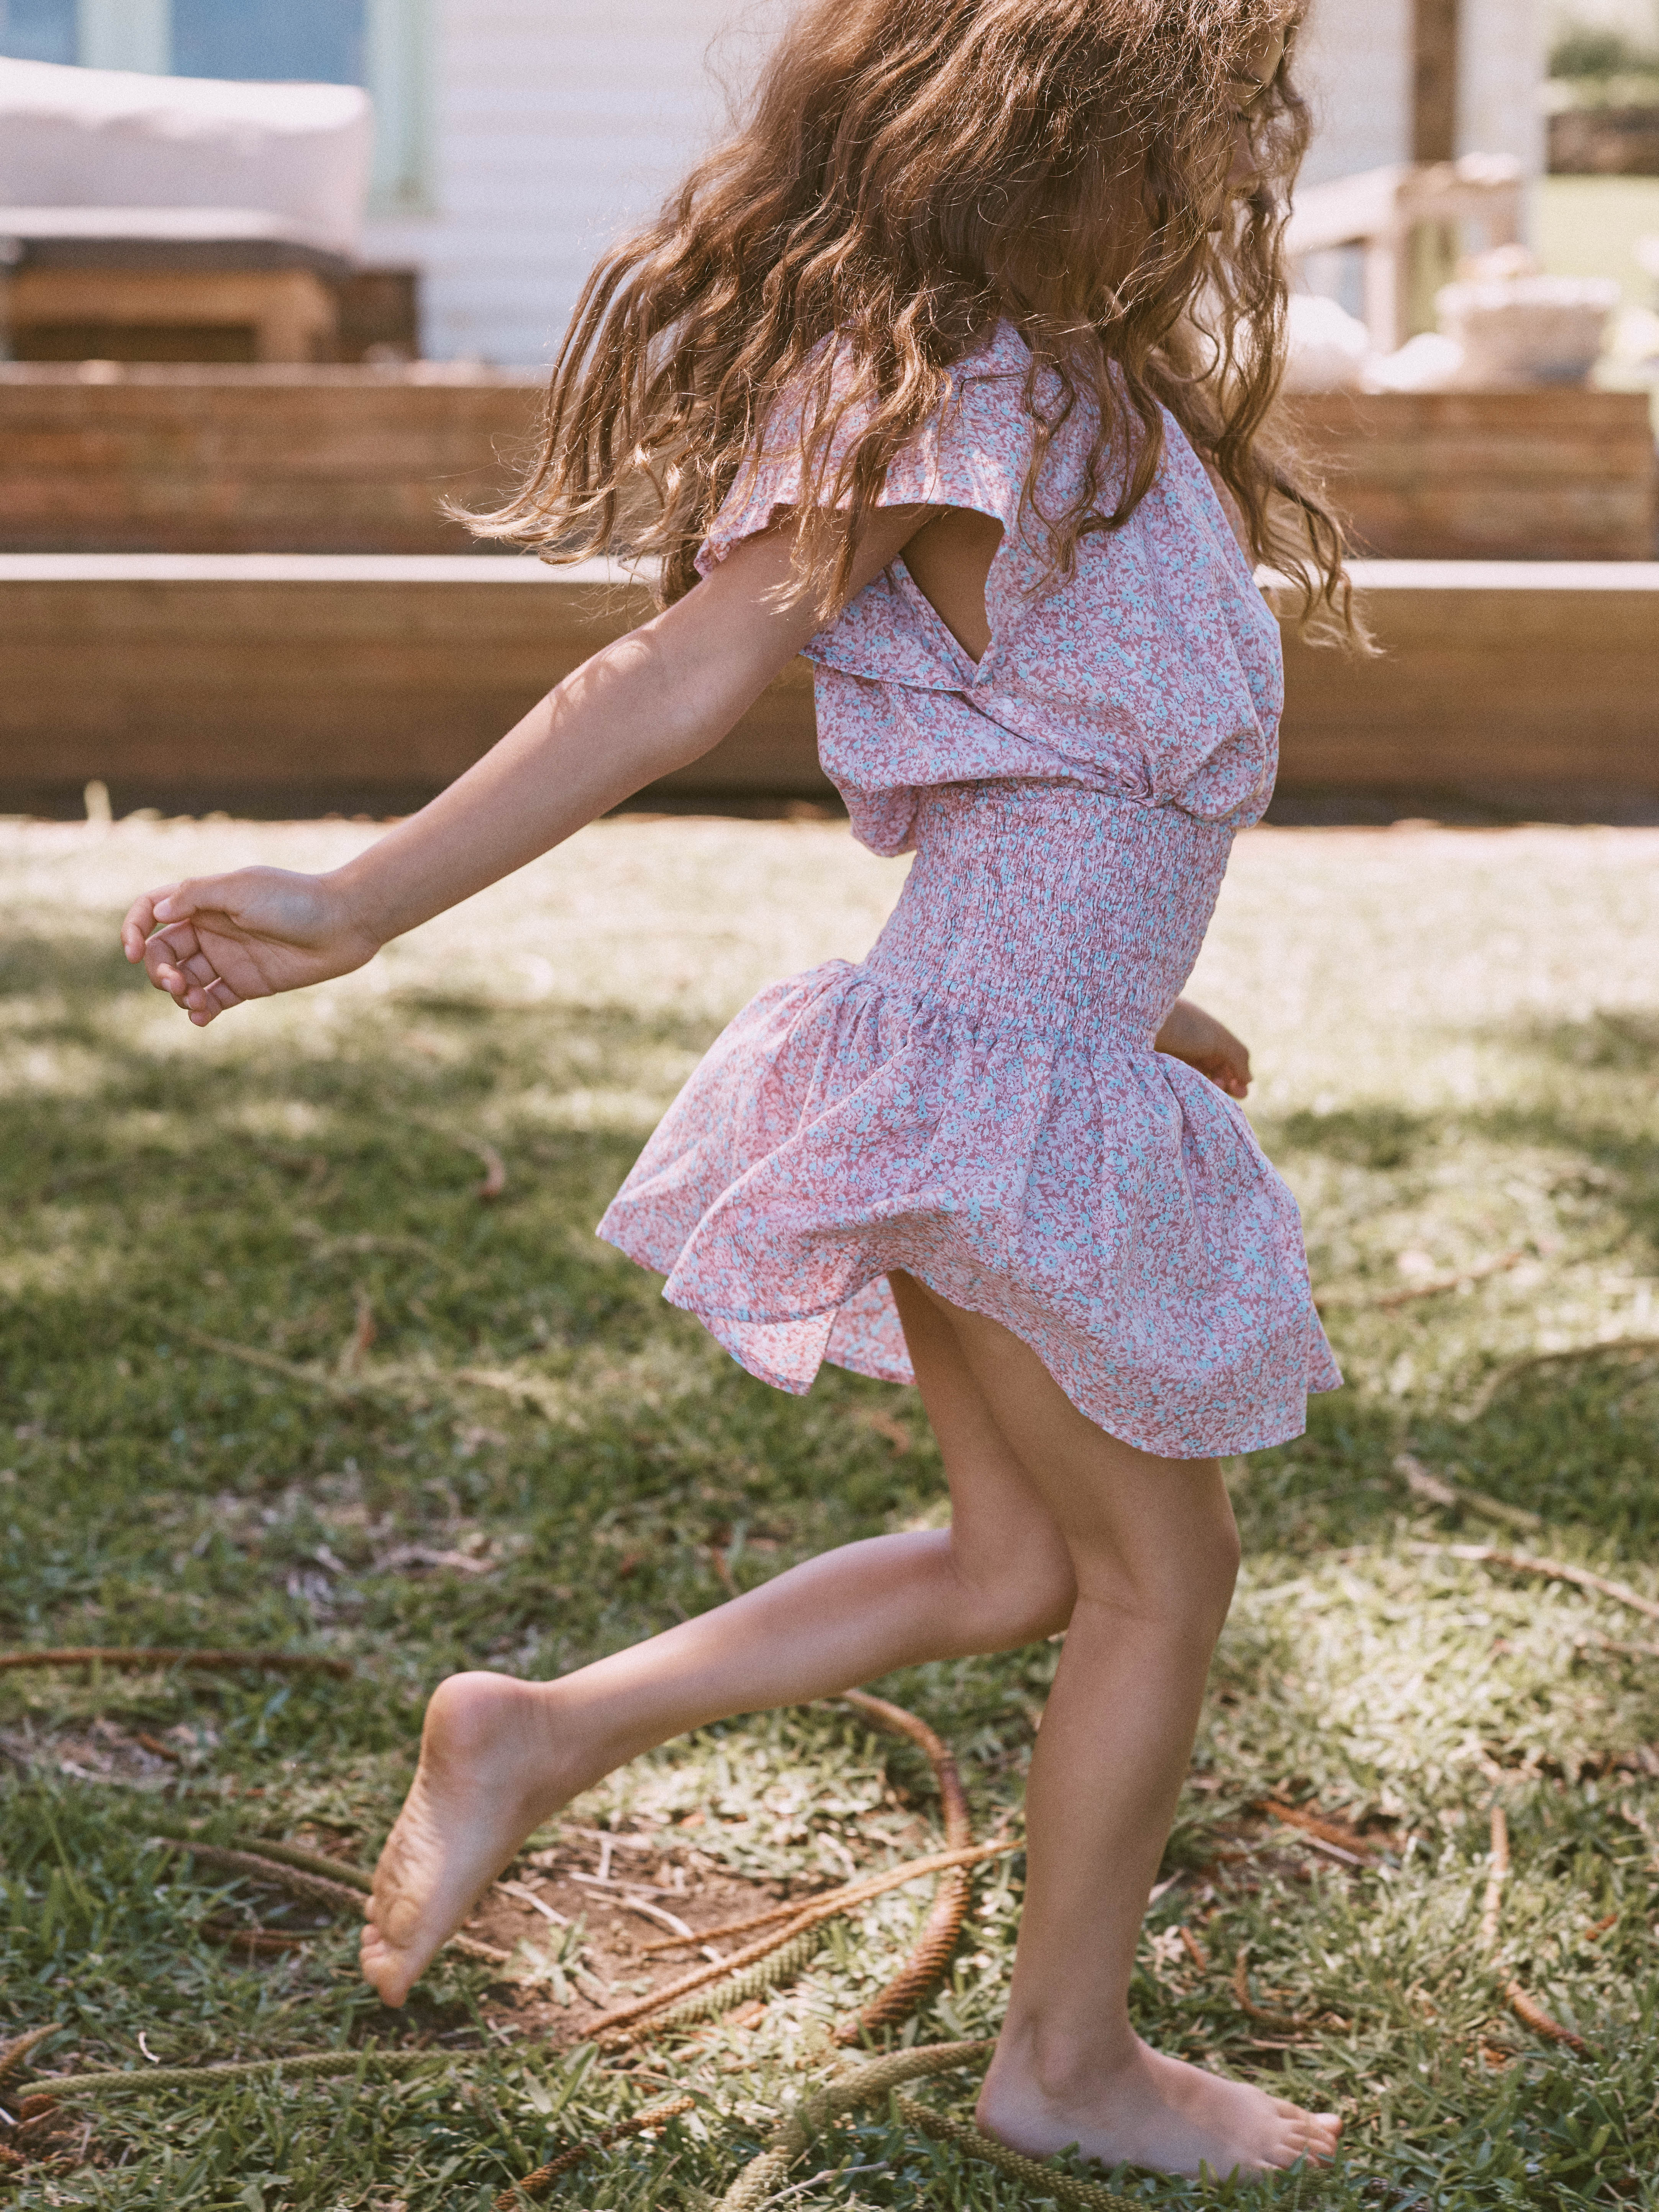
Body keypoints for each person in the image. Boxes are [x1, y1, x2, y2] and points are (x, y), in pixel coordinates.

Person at [122, 0, 1357, 2178]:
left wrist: (1133, 1015)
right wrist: (361, 900)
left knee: (1011, 1571)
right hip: (991, 1092)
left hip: (1032, 1064)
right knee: (1167, 1572)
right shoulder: (954, 395)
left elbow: (1050, 792)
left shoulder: (1088, 399)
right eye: (1191, 136)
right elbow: (679, 672)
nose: (1226, 180)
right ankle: (1067, 2067)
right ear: (1036, 140)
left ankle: (537, 1726)